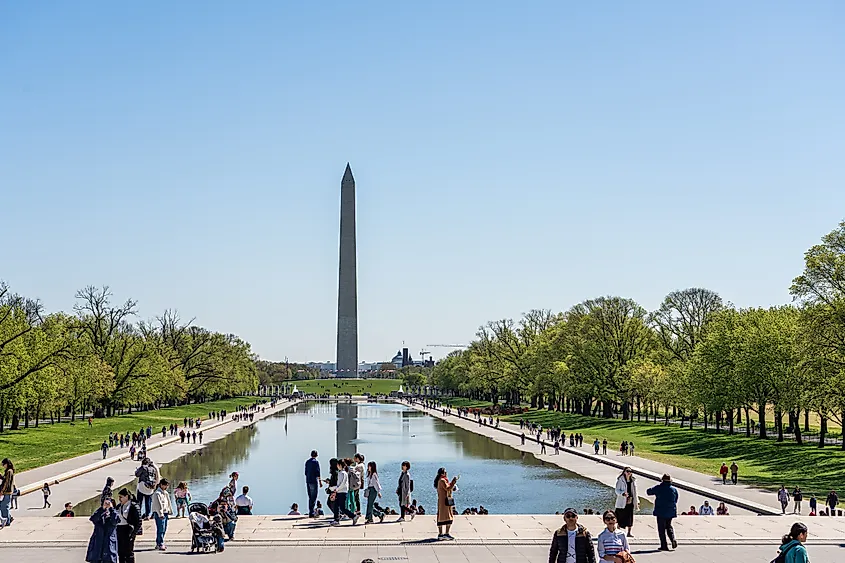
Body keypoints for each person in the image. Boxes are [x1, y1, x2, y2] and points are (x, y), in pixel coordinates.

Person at [646, 473, 678, 552]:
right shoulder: (674, 489)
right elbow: (676, 499)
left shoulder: (659, 488)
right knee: (669, 526)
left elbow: (648, 492)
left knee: (661, 529)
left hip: (660, 511)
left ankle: (664, 545)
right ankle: (672, 539)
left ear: (662, 480)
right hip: (670, 511)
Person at [86, 497, 120, 563]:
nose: (107, 505)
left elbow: (115, 521)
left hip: (109, 544)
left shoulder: (114, 513)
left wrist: (111, 509)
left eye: (108, 503)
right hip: (98, 544)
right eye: (105, 503)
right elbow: (93, 518)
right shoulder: (100, 513)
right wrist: (102, 509)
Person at [329, 458, 359, 525]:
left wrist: (336, 489)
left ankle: (353, 516)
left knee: (342, 508)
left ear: (340, 465)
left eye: (338, 465)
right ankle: (336, 520)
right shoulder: (342, 473)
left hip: (342, 492)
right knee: (336, 506)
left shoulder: (342, 473)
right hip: (340, 491)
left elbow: (342, 484)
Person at [115, 489, 141, 563]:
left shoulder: (133, 506)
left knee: (128, 552)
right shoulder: (119, 506)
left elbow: (138, 522)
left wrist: (133, 534)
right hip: (119, 530)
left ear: (127, 496)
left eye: (121, 497)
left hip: (128, 530)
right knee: (120, 552)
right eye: (119, 497)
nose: (119, 499)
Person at [435, 467, 458, 540]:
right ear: (442, 473)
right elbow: (448, 488)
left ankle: (442, 534)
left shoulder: (442, 480)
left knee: (442, 516)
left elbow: (448, 488)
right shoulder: (442, 480)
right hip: (445, 502)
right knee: (447, 517)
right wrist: (453, 482)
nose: (446, 473)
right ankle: (445, 534)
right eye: (445, 472)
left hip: (443, 501)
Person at [614, 468, 638, 537]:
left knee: (630, 517)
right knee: (620, 517)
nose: (629, 473)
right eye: (627, 471)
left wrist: (637, 501)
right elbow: (617, 490)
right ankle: (617, 531)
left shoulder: (632, 480)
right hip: (622, 501)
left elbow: (635, 492)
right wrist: (622, 493)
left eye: (630, 471)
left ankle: (629, 532)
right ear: (624, 472)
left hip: (630, 501)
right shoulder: (620, 480)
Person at [151, 478, 172, 551]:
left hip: (166, 512)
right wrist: (160, 514)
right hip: (159, 513)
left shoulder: (165, 493)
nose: (166, 487)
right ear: (161, 485)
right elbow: (158, 505)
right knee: (161, 528)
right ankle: (160, 543)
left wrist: (170, 510)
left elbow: (168, 502)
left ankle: (159, 542)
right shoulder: (157, 494)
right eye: (165, 485)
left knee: (164, 528)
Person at [0, 458, 15, 528]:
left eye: (3, 464)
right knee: (4, 506)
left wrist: (2, 491)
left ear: (7, 464)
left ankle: (7, 521)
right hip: (7, 491)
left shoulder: (9, 471)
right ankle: (8, 518)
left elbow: (7, 482)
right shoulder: (9, 471)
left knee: (4, 506)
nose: (3, 466)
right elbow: (5, 480)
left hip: (7, 491)